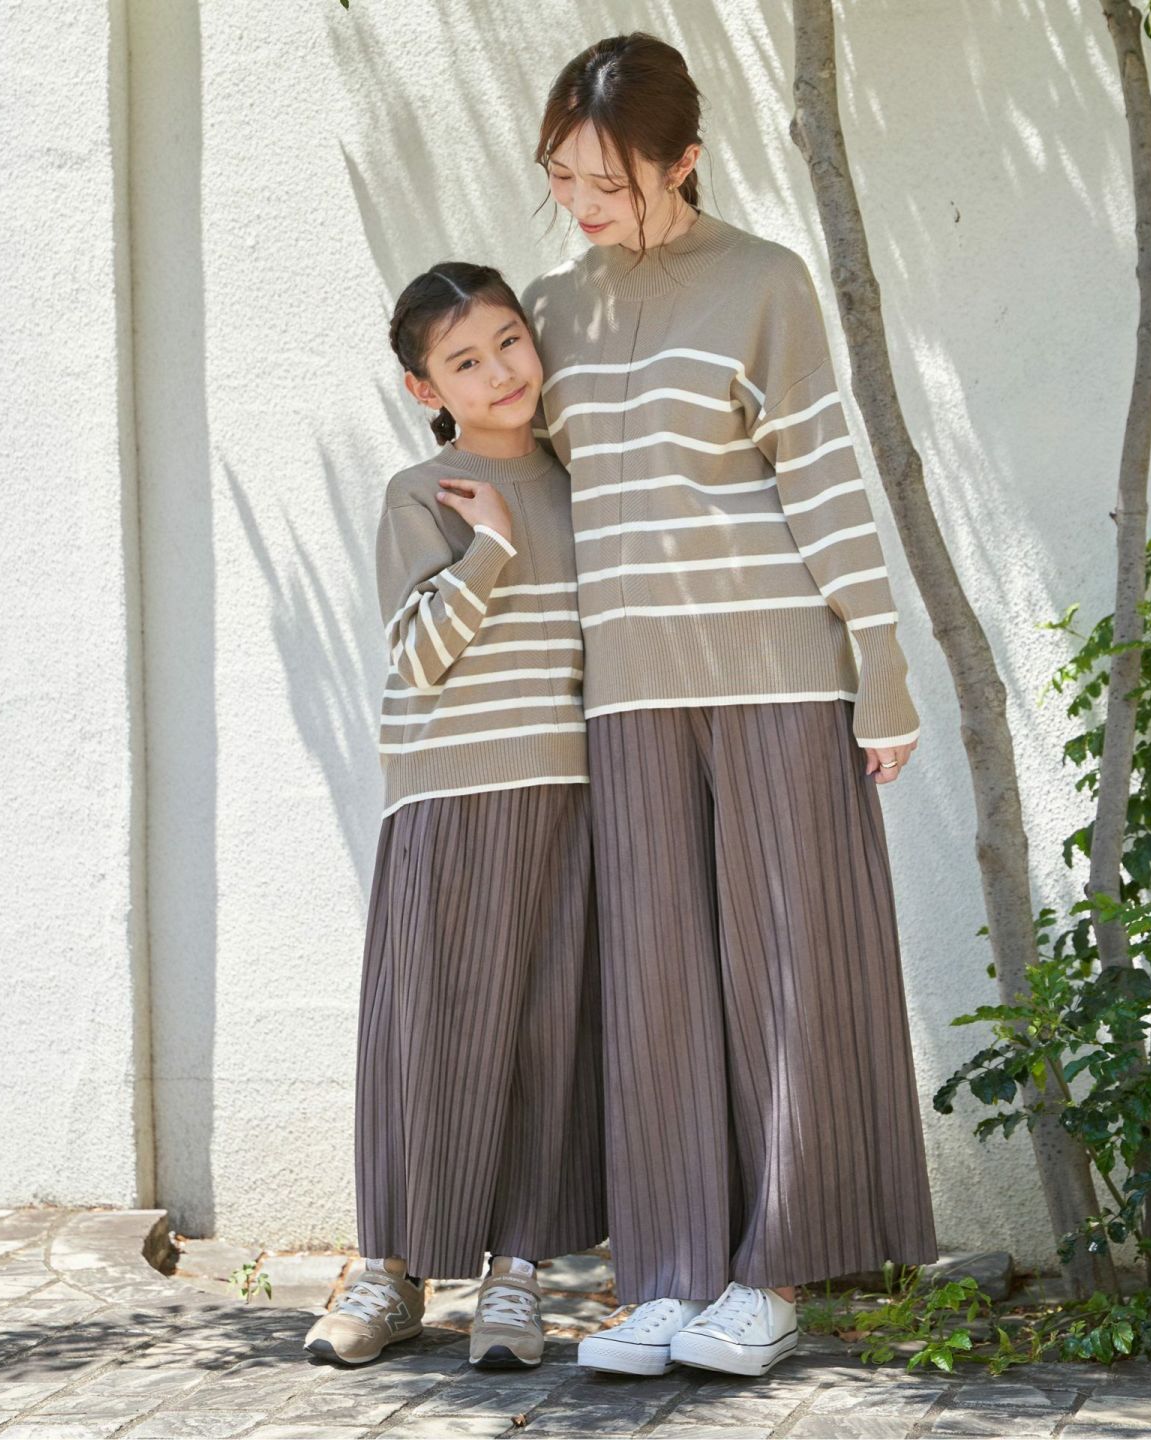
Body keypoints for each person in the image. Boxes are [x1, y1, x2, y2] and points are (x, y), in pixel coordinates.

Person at [520, 33, 939, 1380]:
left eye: (609, 181)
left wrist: (881, 669)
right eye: (562, 176)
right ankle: (667, 1272)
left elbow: (820, 475)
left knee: (788, 978)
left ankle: (772, 1276)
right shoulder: (552, 309)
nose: (582, 204)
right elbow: (538, 499)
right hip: (629, 695)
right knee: (653, 988)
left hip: (777, 675)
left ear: (683, 161)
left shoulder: (765, 282)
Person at [304, 261, 605, 1370]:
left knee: (542, 1032)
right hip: (444, 795)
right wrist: (490, 549)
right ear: (424, 387)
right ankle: (391, 1271)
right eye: (465, 362)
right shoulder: (420, 493)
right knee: (423, 1034)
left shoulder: (583, 482)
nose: (499, 373)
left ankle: (515, 1280)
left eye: (509, 342)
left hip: (565, 794)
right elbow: (420, 656)